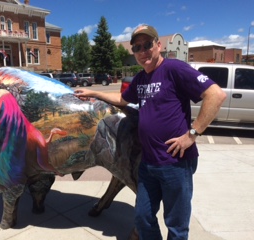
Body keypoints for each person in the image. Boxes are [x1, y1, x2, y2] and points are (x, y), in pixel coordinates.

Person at [74, 24, 226, 240]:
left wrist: (192, 134)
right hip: (148, 163)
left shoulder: (174, 69)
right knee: (143, 218)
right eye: (137, 47)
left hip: (176, 163)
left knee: (176, 226)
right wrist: (93, 92)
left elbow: (215, 95)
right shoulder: (141, 78)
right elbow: (122, 100)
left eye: (147, 45)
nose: (142, 51)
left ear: (158, 45)